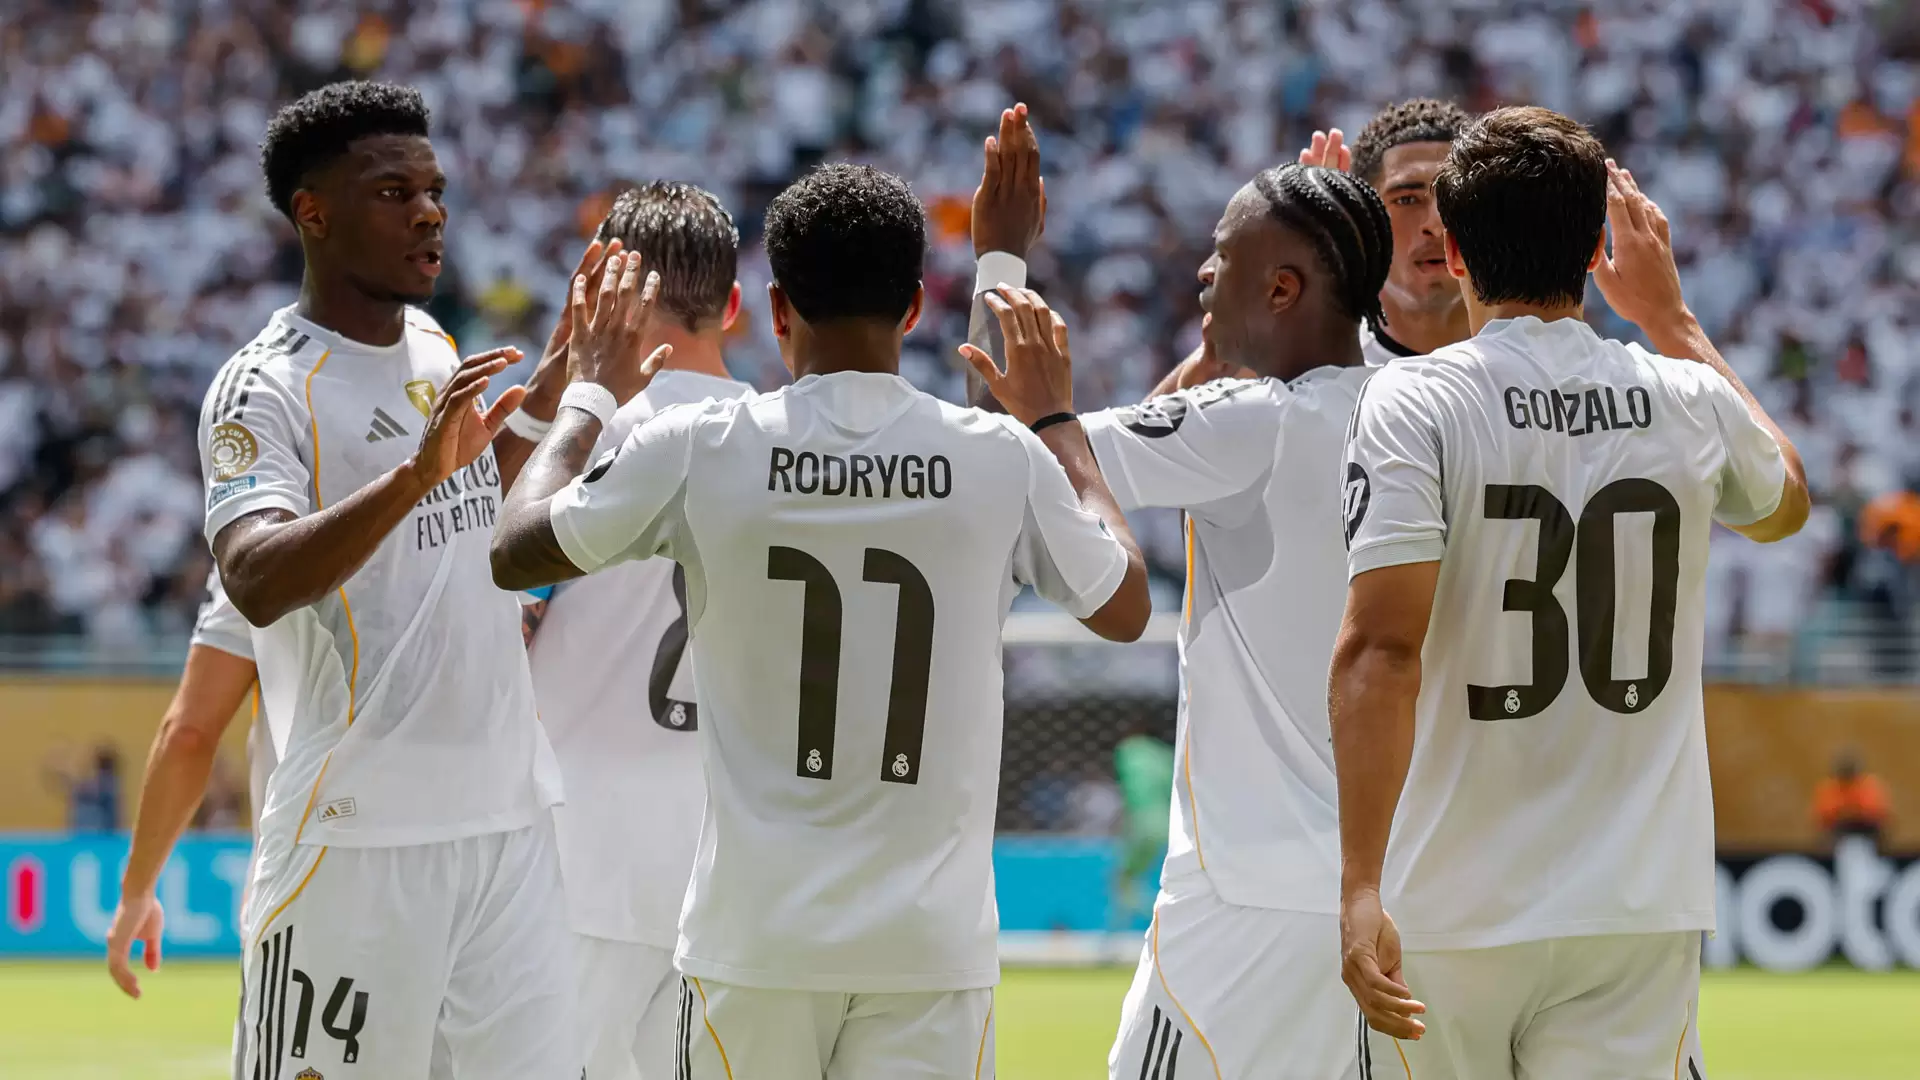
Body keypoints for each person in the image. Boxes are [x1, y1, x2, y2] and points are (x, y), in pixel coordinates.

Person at [490, 159, 1151, 1077]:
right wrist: (1057, 420)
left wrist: (591, 390)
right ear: (914, 307)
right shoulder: (999, 457)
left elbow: (513, 549)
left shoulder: (704, 447)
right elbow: (1126, 604)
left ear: (775, 309)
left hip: (753, 937)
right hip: (929, 947)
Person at [1333, 106, 1811, 1078]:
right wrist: (1672, 320)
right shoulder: (1687, 396)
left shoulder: (1414, 399)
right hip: (1635, 906)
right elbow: (1785, 506)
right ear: (1598, 249)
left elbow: (1382, 650)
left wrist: (1357, 885)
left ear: (1455, 251)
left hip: (1454, 899)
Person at [199, 81, 576, 1079]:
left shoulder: (434, 349)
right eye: (394, 192)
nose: (429, 213)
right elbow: (254, 577)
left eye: (435, 191)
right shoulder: (264, 385)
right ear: (313, 214)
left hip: (506, 821)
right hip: (358, 834)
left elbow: (463, 510)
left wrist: (561, 387)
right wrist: (413, 473)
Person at [995, 158, 1393, 1078]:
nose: (1205, 274)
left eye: (1226, 255)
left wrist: (1047, 403)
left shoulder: (1255, 422)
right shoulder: (1421, 410)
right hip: (1384, 885)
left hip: (1243, 900)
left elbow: (1031, 464)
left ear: (1283, 288)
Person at [519, 181, 756, 1080]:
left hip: (578, 858)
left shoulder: (581, 443)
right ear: (735, 304)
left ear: (601, 290)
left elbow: (499, 612)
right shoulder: (787, 442)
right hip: (731, 865)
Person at [1813, 749, 1891, 849]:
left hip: (1866, 830)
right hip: (1837, 830)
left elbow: (1877, 813)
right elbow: (1823, 815)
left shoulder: (1869, 785)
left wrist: (1851, 812)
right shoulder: (1829, 788)